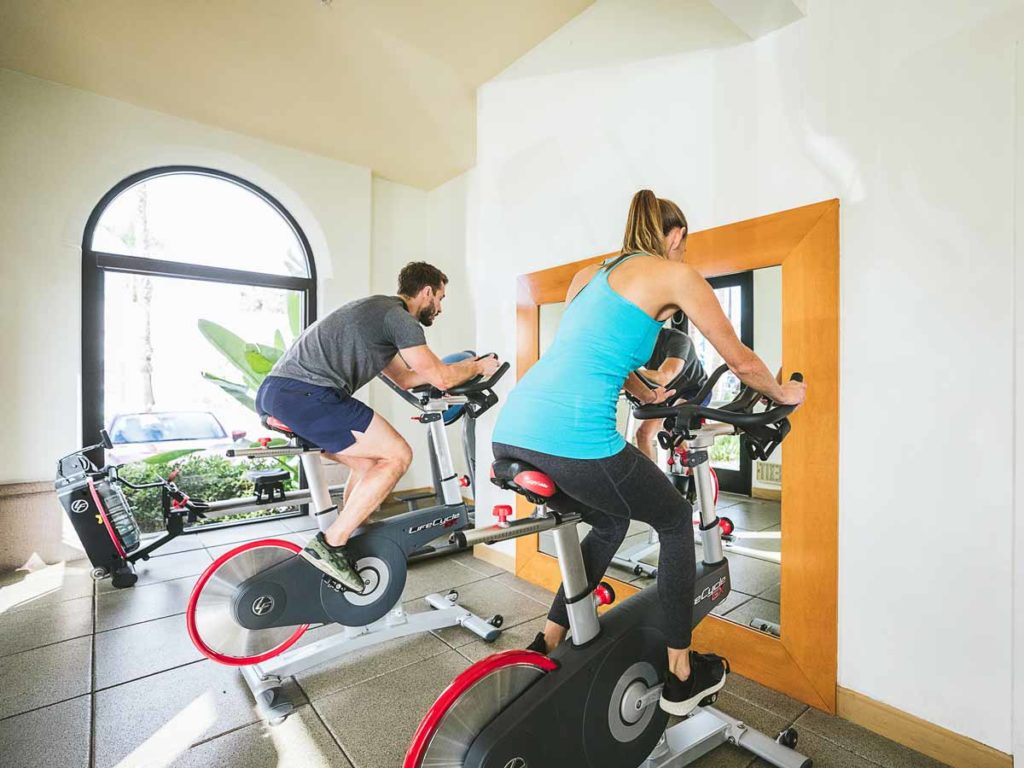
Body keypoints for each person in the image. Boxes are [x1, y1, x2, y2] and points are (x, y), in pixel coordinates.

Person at [491, 190, 805, 717]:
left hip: (515, 429)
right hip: (575, 440)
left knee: (611, 522)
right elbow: (742, 359)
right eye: (681, 246)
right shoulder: (674, 274)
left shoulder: (587, 276)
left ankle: (546, 639)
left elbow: (589, 350)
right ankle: (682, 675)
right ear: (676, 237)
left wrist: (642, 390)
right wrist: (783, 394)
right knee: (676, 521)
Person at [256, 262, 500, 592]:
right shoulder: (399, 318)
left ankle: (351, 532)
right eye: (440, 298)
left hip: (279, 393)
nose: (440, 307)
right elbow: (440, 376)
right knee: (397, 454)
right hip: (307, 393)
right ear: (425, 292)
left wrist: (448, 375)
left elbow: (406, 377)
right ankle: (331, 544)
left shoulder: (376, 314)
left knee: (371, 461)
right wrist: (476, 367)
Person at [632, 325, 707, 462]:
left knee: (676, 426)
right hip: (665, 392)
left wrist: (624, 373)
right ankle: (651, 480)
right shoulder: (636, 344)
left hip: (693, 390)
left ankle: (694, 478)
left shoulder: (678, 340)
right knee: (643, 434)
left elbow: (664, 376)